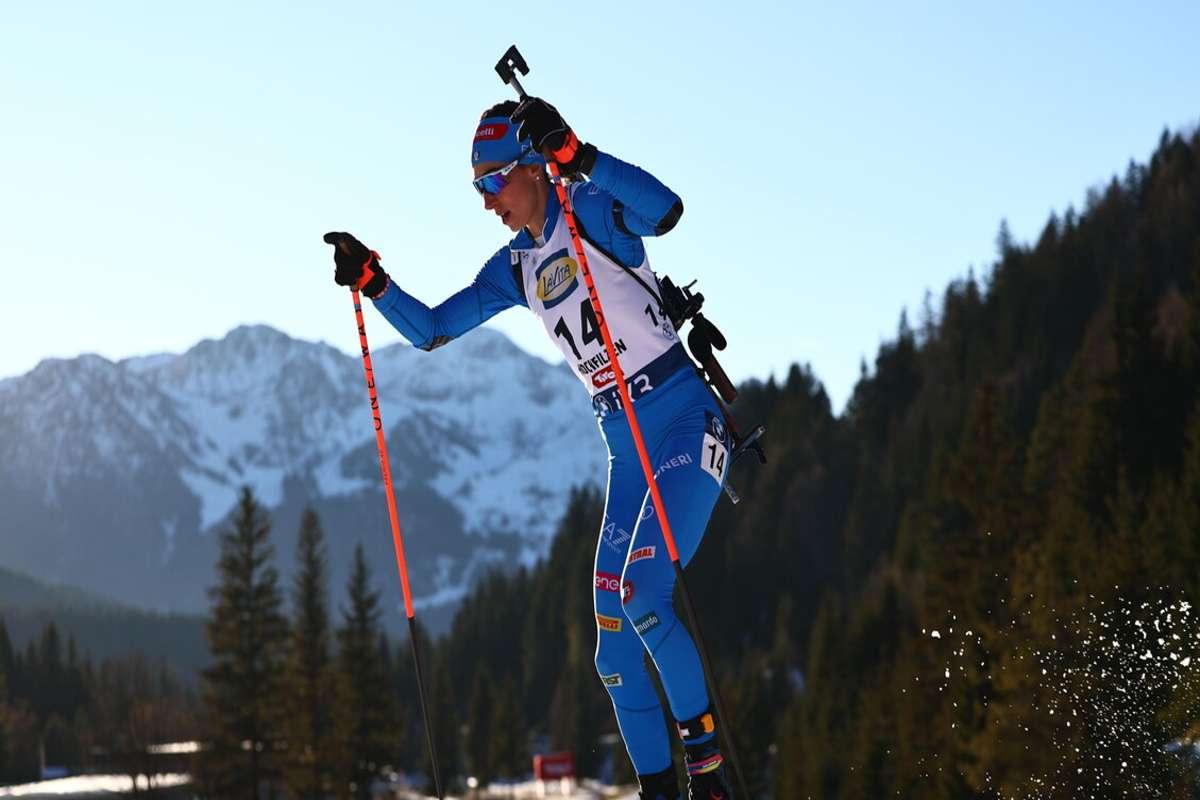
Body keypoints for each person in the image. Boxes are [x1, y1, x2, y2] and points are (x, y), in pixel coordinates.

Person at [324, 97, 733, 800]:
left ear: (531, 169)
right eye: (476, 187)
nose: (487, 202)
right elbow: (430, 330)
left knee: (644, 593)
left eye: (492, 181)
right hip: (624, 444)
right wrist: (374, 282)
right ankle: (657, 790)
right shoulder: (515, 266)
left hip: (680, 421)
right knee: (611, 643)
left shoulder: (593, 210)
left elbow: (666, 211)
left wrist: (580, 157)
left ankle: (711, 779)